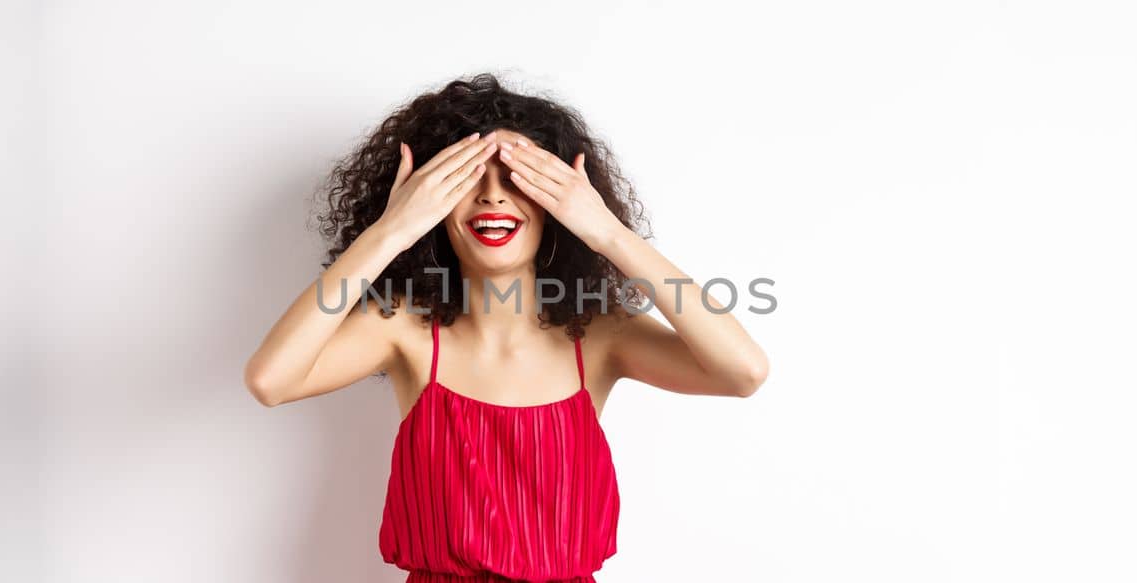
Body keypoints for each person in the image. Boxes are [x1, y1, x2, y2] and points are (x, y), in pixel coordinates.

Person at [244, 73, 769, 582]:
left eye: (518, 178)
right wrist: (390, 232)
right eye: (468, 179)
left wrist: (608, 232)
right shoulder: (402, 328)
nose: (493, 198)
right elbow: (271, 380)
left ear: (556, 204)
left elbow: (743, 372)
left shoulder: (600, 335)